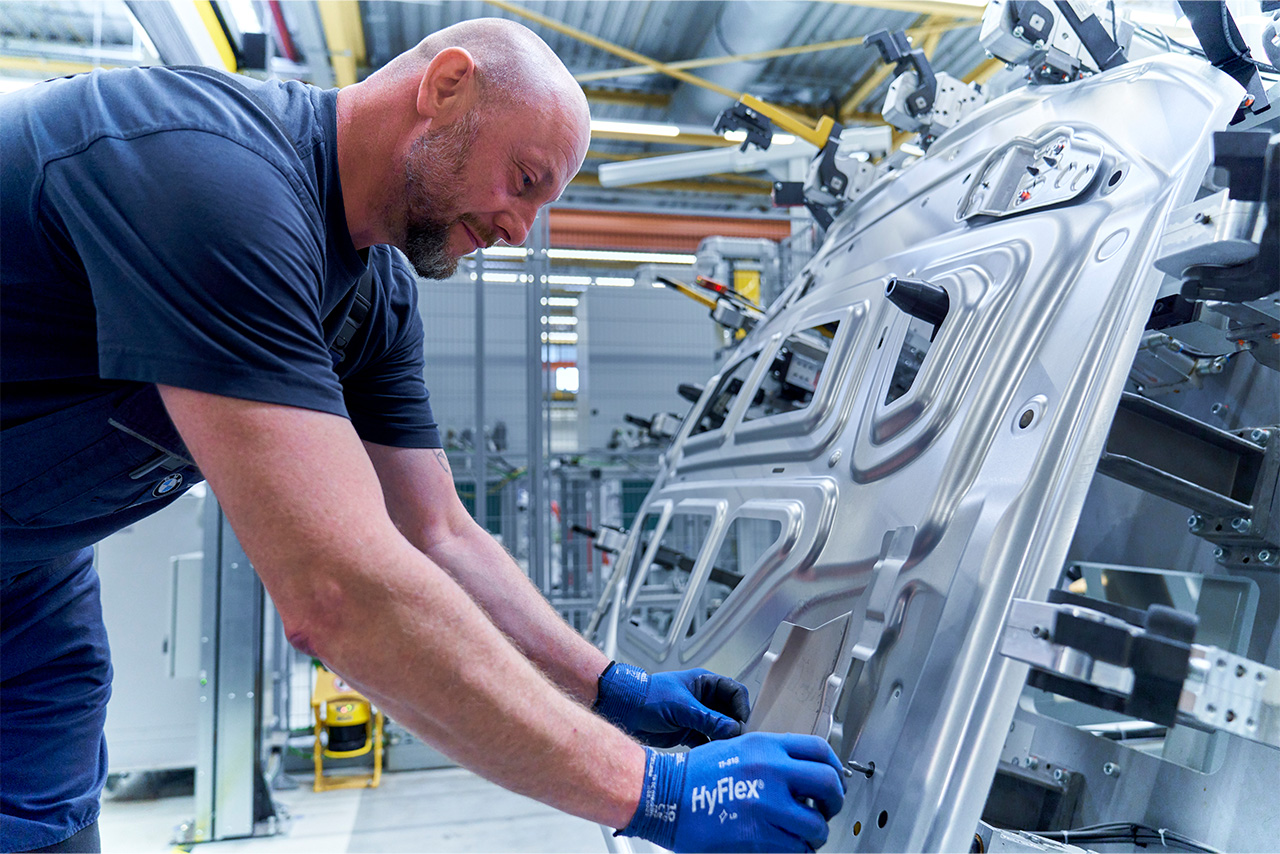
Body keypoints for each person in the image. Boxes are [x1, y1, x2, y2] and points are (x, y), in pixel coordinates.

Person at [0, 17, 845, 853]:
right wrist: (656, 794)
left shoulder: (374, 304)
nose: (520, 230)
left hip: (31, 565)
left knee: (47, 814)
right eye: (523, 179)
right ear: (445, 88)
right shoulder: (211, 175)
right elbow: (338, 592)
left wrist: (611, 687)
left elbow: (437, 535)